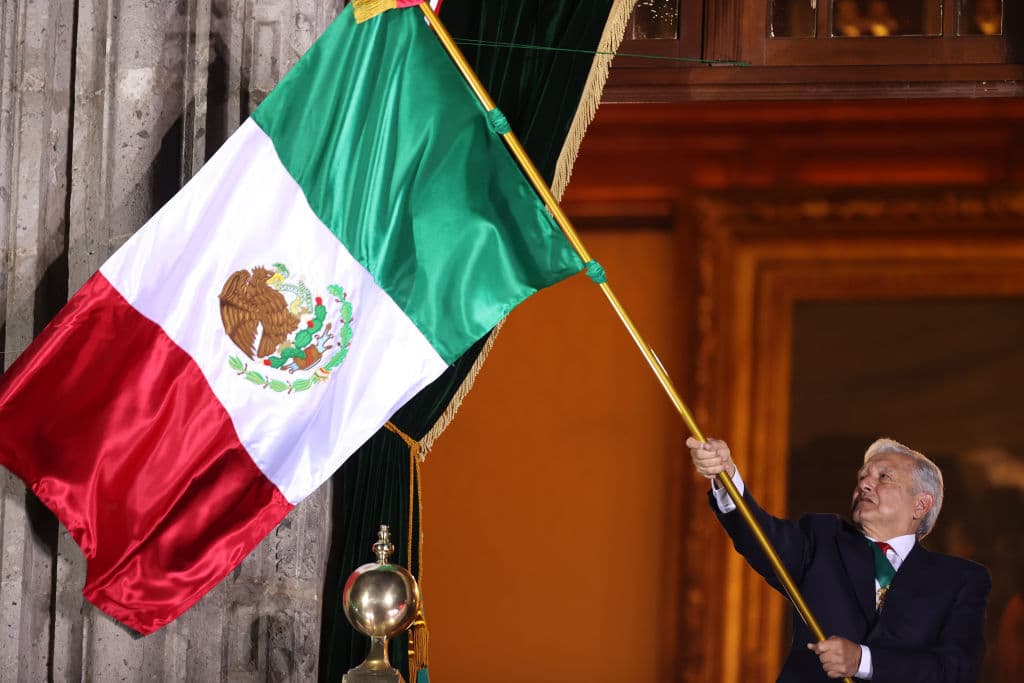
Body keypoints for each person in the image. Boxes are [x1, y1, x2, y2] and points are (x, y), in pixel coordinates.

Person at [686, 436, 990, 682]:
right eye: (862, 477)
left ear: (921, 504)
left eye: (884, 477)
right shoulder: (821, 538)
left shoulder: (961, 580)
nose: (865, 484)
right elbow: (760, 537)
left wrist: (862, 661)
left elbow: (956, 670)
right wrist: (725, 477)